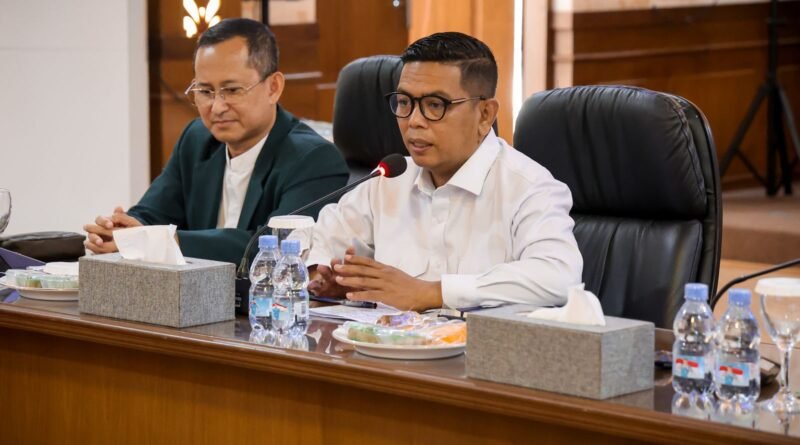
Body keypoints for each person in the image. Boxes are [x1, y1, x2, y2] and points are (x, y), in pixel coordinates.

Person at [305, 32, 583, 311]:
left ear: (485, 114)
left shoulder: (529, 187)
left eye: (435, 105)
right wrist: (325, 279)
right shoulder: (388, 179)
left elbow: (558, 276)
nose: (414, 121)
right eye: (404, 102)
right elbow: (318, 242)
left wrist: (433, 293)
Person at [84, 18, 349, 264]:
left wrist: (166, 241)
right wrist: (122, 231)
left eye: (232, 90)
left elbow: (273, 247)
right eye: (205, 91)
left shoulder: (314, 159)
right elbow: (153, 214)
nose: (217, 107)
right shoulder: (197, 140)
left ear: (273, 87)